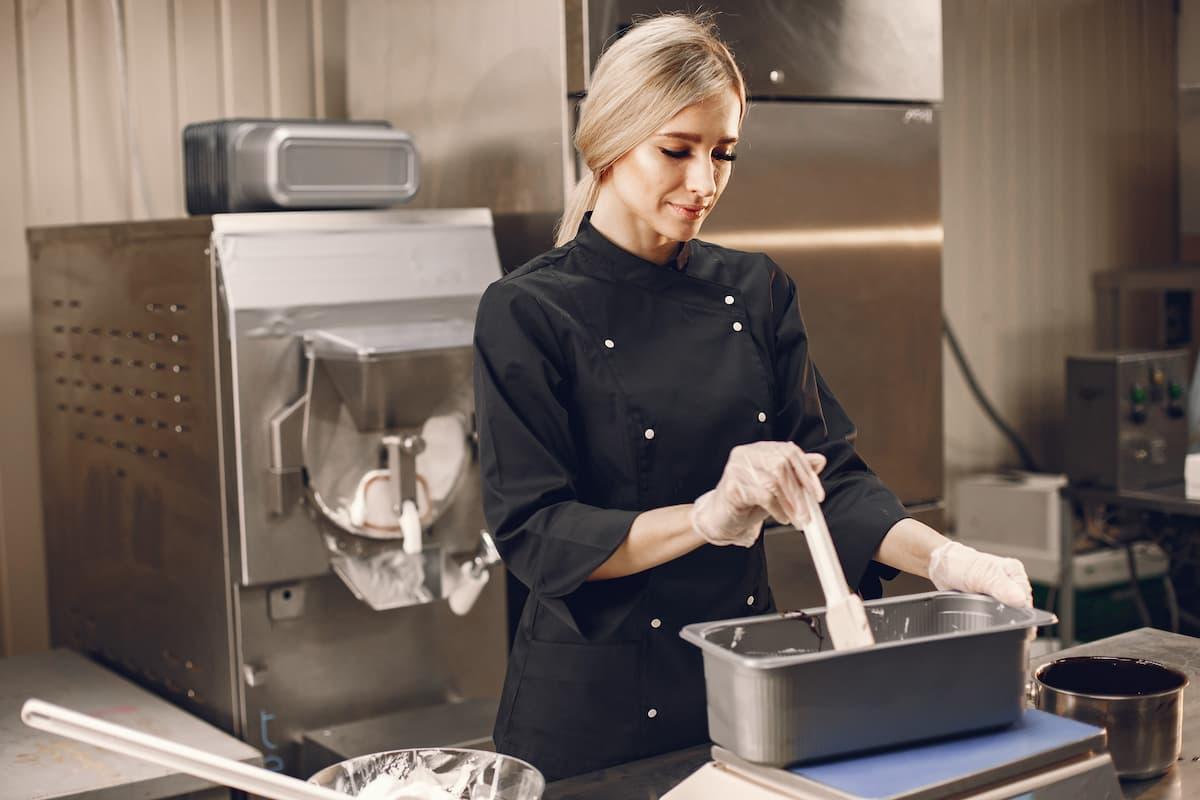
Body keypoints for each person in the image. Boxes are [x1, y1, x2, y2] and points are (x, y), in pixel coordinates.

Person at [472, 13, 1032, 782]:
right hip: (592, 719)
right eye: (677, 150)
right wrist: (707, 517)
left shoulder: (755, 289)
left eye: (722, 153)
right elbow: (537, 531)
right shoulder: (528, 310)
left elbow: (831, 479)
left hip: (743, 687)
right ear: (609, 140)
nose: (703, 183)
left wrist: (950, 562)